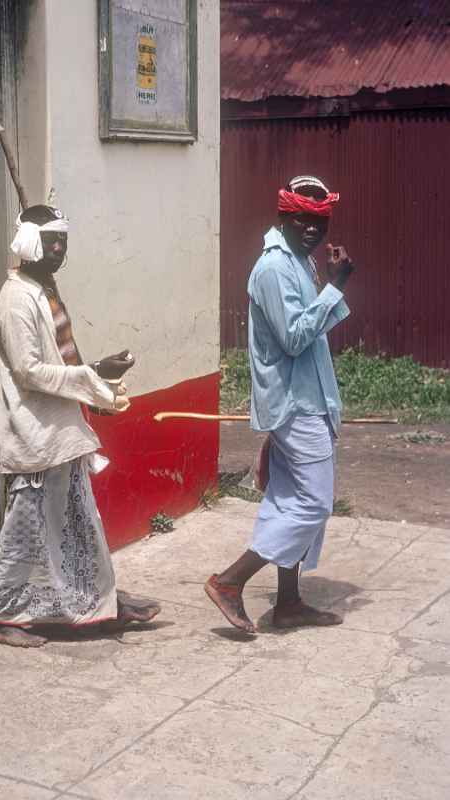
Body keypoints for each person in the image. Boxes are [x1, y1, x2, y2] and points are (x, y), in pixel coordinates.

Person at [0, 204, 160, 647]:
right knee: (26, 528)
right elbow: (29, 373)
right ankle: (2, 617)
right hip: (36, 436)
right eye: (51, 241)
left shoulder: (42, 290)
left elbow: (60, 357)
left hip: (62, 434)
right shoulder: (15, 302)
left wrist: (94, 370)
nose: (60, 249)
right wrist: (90, 376)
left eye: (64, 240)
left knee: (80, 523)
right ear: (27, 243)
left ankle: (101, 599)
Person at [205, 175, 354, 634]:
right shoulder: (272, 268)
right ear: (283, 217)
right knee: (314, 504)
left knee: (288, 499)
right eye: (301, 219)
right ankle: (231, 581)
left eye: (319, 220)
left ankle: (288, 602)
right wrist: (336, 287)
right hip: (296, 406)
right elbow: (293, 339)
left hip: (305, 401)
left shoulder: (299, 261)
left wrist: (326, 285)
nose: (312, 228)